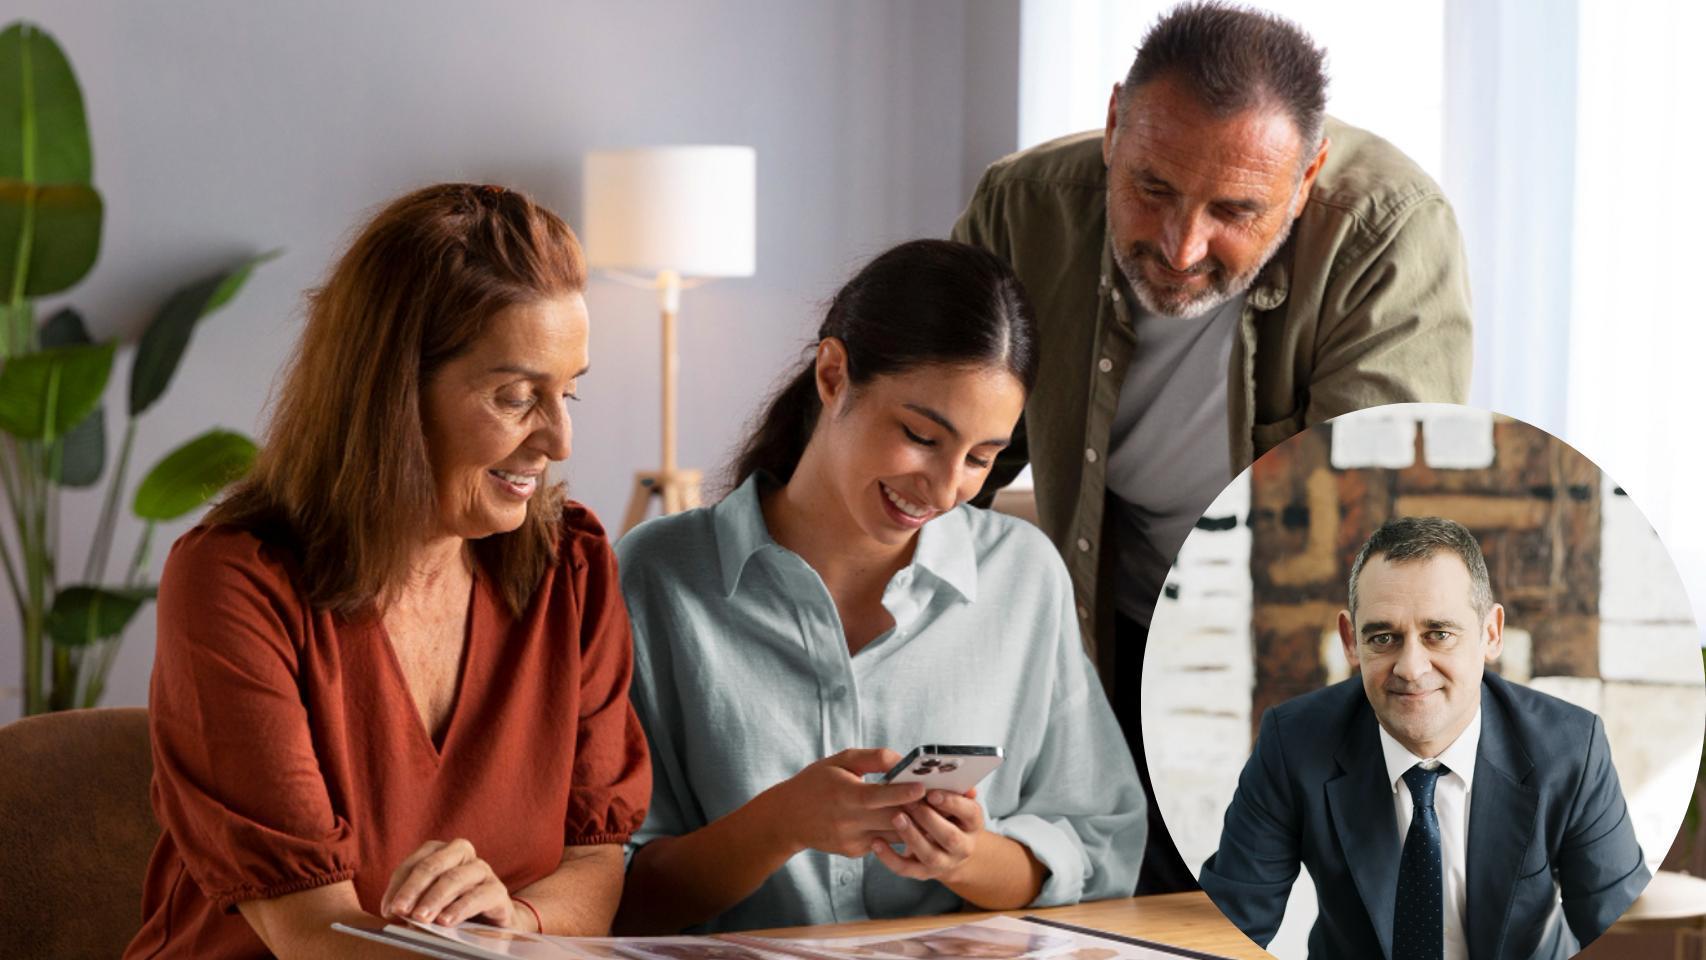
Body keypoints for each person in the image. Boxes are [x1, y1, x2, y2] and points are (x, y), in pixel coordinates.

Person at [950, 1, 1473, 893]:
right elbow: (943, 448)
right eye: (1151, 189)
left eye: (1234, 210)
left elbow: (1365, 526)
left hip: (1291, 654)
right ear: (1116, 125)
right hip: (1105, 629)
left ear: (1306, 175)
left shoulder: (1386, 228)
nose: (1180, 245)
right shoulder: (1025, 204)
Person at [125, 184, 651, 958]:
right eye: (516, 397)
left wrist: (517, 923)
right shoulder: (235, 584)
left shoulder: (570, 568)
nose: (560, 439)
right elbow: (314, 936)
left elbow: (596, 861)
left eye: (568, 392)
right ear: (392, 395)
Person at [613, 240, 1145, 933]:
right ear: (833, 375)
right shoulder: (657, 576)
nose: (946, 486)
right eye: (922, 435)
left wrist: (963, 857)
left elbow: (1100, 849)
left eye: (981, 458)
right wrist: (779, 825)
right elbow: (619, 895)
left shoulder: (1022, 575)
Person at [1200, 517, 1648, 960]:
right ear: (1351, 642)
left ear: (1490, 634)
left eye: (1439, 634)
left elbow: (1627, 938)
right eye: (1383, 637)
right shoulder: (1292, 743)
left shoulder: (1572, 748)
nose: (1411, 668)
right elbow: (1226, 930)